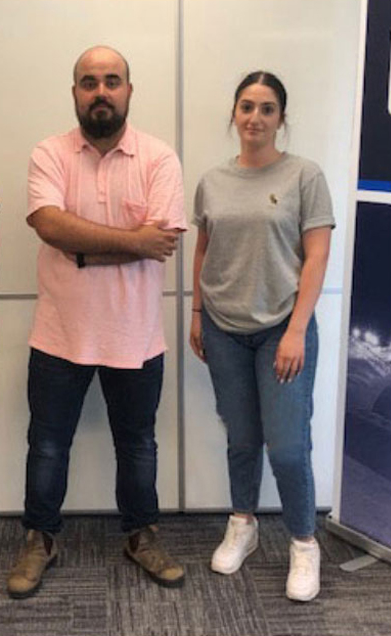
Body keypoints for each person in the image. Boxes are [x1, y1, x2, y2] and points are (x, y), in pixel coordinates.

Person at [6, 46, 187, 599]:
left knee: (138, 445)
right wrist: (131, 242)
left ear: (129, 90)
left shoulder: (160, 158)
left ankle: (141, 535)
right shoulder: (49, 153)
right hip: (60, 334)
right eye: (89, 82)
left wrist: (84, 247)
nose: (101, 91)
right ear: (75, 93)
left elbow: (163, 241)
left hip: (136, 337)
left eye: (112, 81)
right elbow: (50, 226)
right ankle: (41, 539)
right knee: (47, 445)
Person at [189, 71, 334, 602]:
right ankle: (243, 524)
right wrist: (198, 312)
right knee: (242, 438)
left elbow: (316, 255)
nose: (255, 117)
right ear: (233, 114)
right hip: (225, 329)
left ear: (281, 118)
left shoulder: (304, 176)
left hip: (282, 329)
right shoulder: (212, 180)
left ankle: (303, 543)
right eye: (246, 106)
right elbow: (204, 250)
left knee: (290, 447)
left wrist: (297, 329)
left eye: (267, 108)